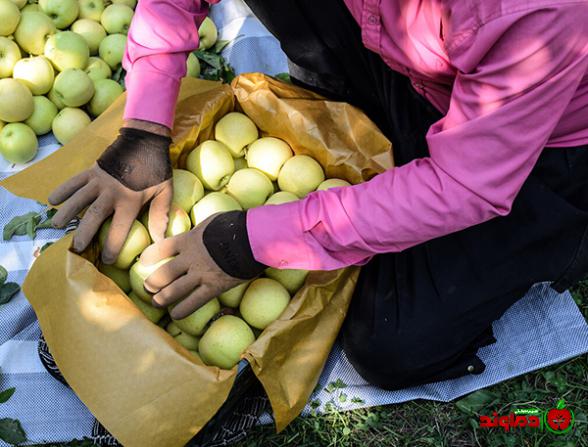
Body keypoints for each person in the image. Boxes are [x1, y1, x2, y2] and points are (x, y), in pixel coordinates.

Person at [49, 0, 588, 390]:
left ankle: (567, 238)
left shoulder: (536, 12)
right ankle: (347, 108)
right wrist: (145, 125)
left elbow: (463, 185)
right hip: (408, 61)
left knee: (390, 341)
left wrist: (252, 242)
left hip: (529, 147)